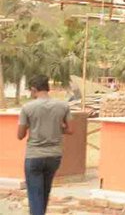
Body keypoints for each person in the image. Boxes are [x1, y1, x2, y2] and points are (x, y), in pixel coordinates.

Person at [17, 75, 72, 215]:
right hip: (54, 156)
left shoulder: (27, 108)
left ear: (34, 89)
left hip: (34, 156)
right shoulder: (63, 106)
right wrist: (56, 127)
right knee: (44, 193)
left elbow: (20, 135)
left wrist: (32, 126)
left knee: (35, 195)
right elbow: (70, 130)